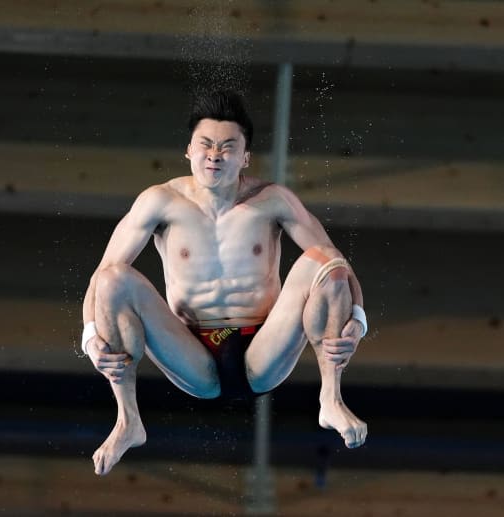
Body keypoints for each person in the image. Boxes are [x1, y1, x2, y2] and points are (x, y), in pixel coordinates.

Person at [80, 90, 368, 476]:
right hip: (191, 353)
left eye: (228, 147)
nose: (215, 154)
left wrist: (358, 321)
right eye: (206, 145)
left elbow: (340, 266)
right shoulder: (159, 201)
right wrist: (89, 338)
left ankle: (330, 398)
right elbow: (102, 275)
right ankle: (127, 419)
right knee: (113, 280)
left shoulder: (273, 200)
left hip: (263, 349)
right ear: (189, 150)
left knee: (325, 263)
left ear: (245, 157)